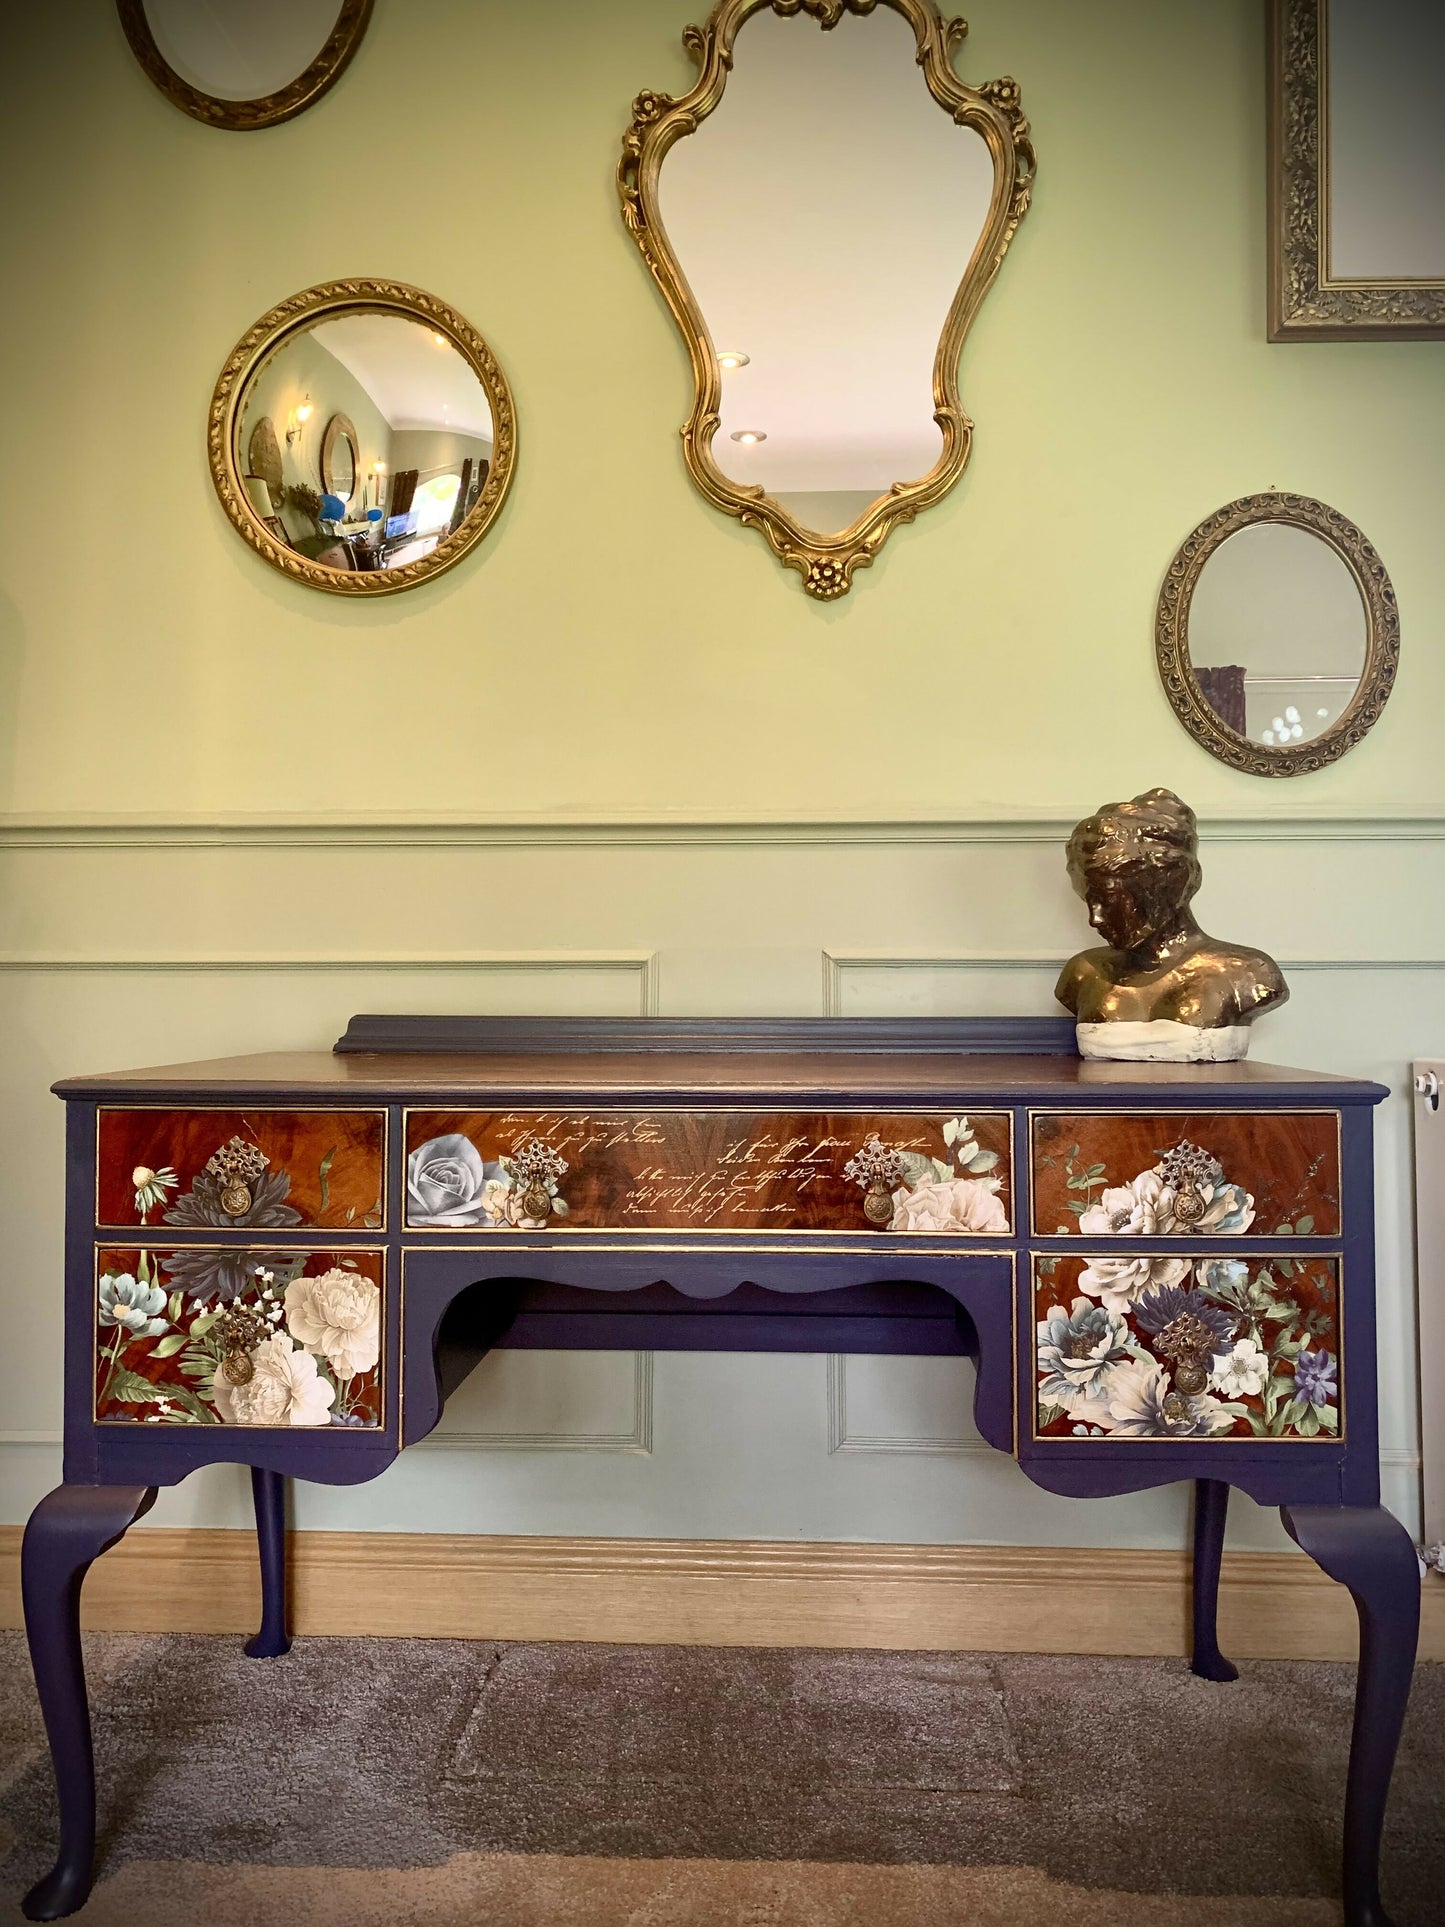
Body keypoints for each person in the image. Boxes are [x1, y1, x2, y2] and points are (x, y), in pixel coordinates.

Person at [1055, 787, 1287, 1059]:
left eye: (1111, 900)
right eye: (1088, 900)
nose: (1095, 919)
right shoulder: (1083, 973)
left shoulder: (1249, 974)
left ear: (1172, 885)